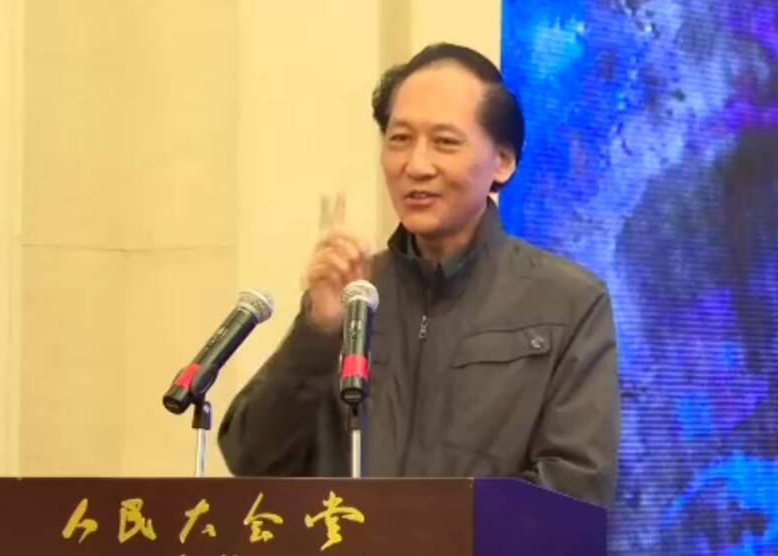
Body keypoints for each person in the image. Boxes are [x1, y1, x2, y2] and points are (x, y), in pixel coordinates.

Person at [218, 43, 621, 507]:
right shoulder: (354, 296)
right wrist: (317, 333)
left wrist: (420, 528)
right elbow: (253, 459)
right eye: (400, 139)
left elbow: (574, 487)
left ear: (503, 161)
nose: (416, 165)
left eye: (445, 142)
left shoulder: (568, 303)